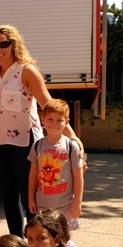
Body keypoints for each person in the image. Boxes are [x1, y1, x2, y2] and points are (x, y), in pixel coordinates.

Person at [0, 24, 84, 236]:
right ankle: (16, 241)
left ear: (14, 44)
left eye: (4, 43)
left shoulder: (26, 71)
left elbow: (48, 104)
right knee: (8, 199)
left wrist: (73, 137)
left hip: (24, 145)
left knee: (30, 197)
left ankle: (37, 242)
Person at [28, 99, 84, 231]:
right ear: (42, 120)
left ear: (67, 122)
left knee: (64, 241)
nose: (54, 124)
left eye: (59, 120)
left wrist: (77, 202)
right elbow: (33, 174)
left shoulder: (71, 146)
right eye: (50, 119)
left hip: (65, 205)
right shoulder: (37, 146)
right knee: (45, 238)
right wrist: (31, 198)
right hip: (42, 205)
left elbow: (78, 176)